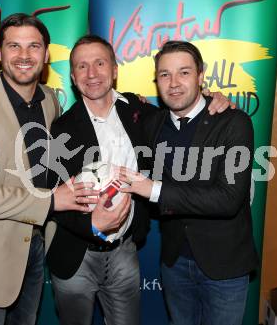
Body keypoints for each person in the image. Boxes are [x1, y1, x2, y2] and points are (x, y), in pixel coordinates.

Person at [45, 35, 232, 325]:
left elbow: (184, 107)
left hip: (125, 253)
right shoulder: (60, 129)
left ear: (115, 69)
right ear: (72, 76)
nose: (92, 74)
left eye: (99, 63)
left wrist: (215, 99)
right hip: (75, 257)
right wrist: (91, 224)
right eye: (82, 66)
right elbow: (52, 198)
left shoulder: (140, 112)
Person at [0, 13, 98, 325]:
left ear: (46, 55)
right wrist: (52, 201)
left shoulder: (49, 100)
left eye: (34, 46)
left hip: (35, 245)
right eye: (14, 46)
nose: (25, 56)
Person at [119, 41, 259, 325]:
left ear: (200, 75)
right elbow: (111, 98)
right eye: (164, 74)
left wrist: (153, 189)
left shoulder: (233, 122)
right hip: (174, 262)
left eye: (184, 72)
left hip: (224, 265)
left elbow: (228, 199)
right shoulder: (152, 123)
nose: (173, 84)